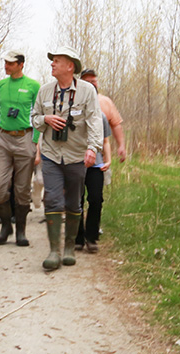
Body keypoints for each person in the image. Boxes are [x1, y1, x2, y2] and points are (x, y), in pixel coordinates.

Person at [31, 47, 103, 271]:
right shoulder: (44, 91)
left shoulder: (87, 91)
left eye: (57, 61)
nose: (52, 64)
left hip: (76, 156)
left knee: (73, 202)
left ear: (70, 66)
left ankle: (69, 248)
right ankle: (54, 251)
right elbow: (33, 119)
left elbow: (94, 121)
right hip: (51, 154)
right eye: (52, 61)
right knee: (52, 198)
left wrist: (93, 148)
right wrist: (46, 119)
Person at [0, 50, 41, 246]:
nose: (6, 66)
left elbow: (38, 115)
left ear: (20, 64)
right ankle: (5, 226)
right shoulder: (1, 85)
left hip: (24, 138)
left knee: (21, 188)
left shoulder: (33, 86)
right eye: (5, 63)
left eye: (10, 63)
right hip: (2, 138)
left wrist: (35, 142)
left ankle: (20, 231)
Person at [75, 69, 126, 254]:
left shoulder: (102, 113)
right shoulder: (73, 111)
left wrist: (109, 159)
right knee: (77, 201)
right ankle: (78, 238)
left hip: (96, 164)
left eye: (93, 82)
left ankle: (92, 236)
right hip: (76, 163)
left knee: (96, 199)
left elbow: (105, 140)